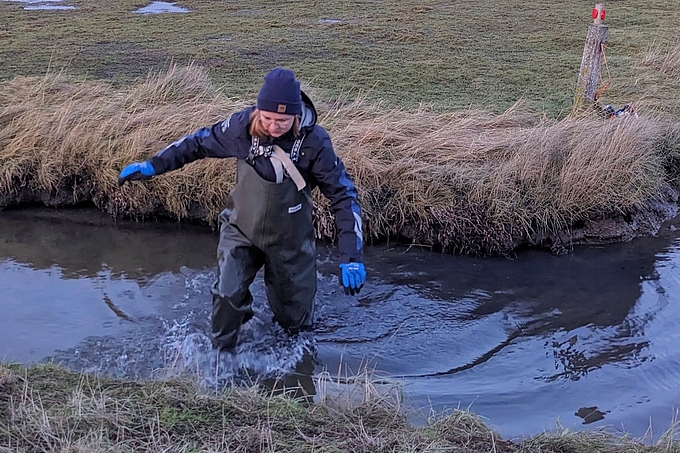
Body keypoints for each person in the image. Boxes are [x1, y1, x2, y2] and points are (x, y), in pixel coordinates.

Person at [118, 67, 366, 350]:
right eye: (268, 118)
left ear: (296, 116)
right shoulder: (240, 129)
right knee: (226, 297)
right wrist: (153, 165)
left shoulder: (315, 143)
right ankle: (223, 362)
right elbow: (198, 143)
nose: (274, 126)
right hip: (241, 230)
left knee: (294, 326)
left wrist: (351, 254)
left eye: (282, 121)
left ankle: (289, 372)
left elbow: (343, 196)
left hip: (290, 240)